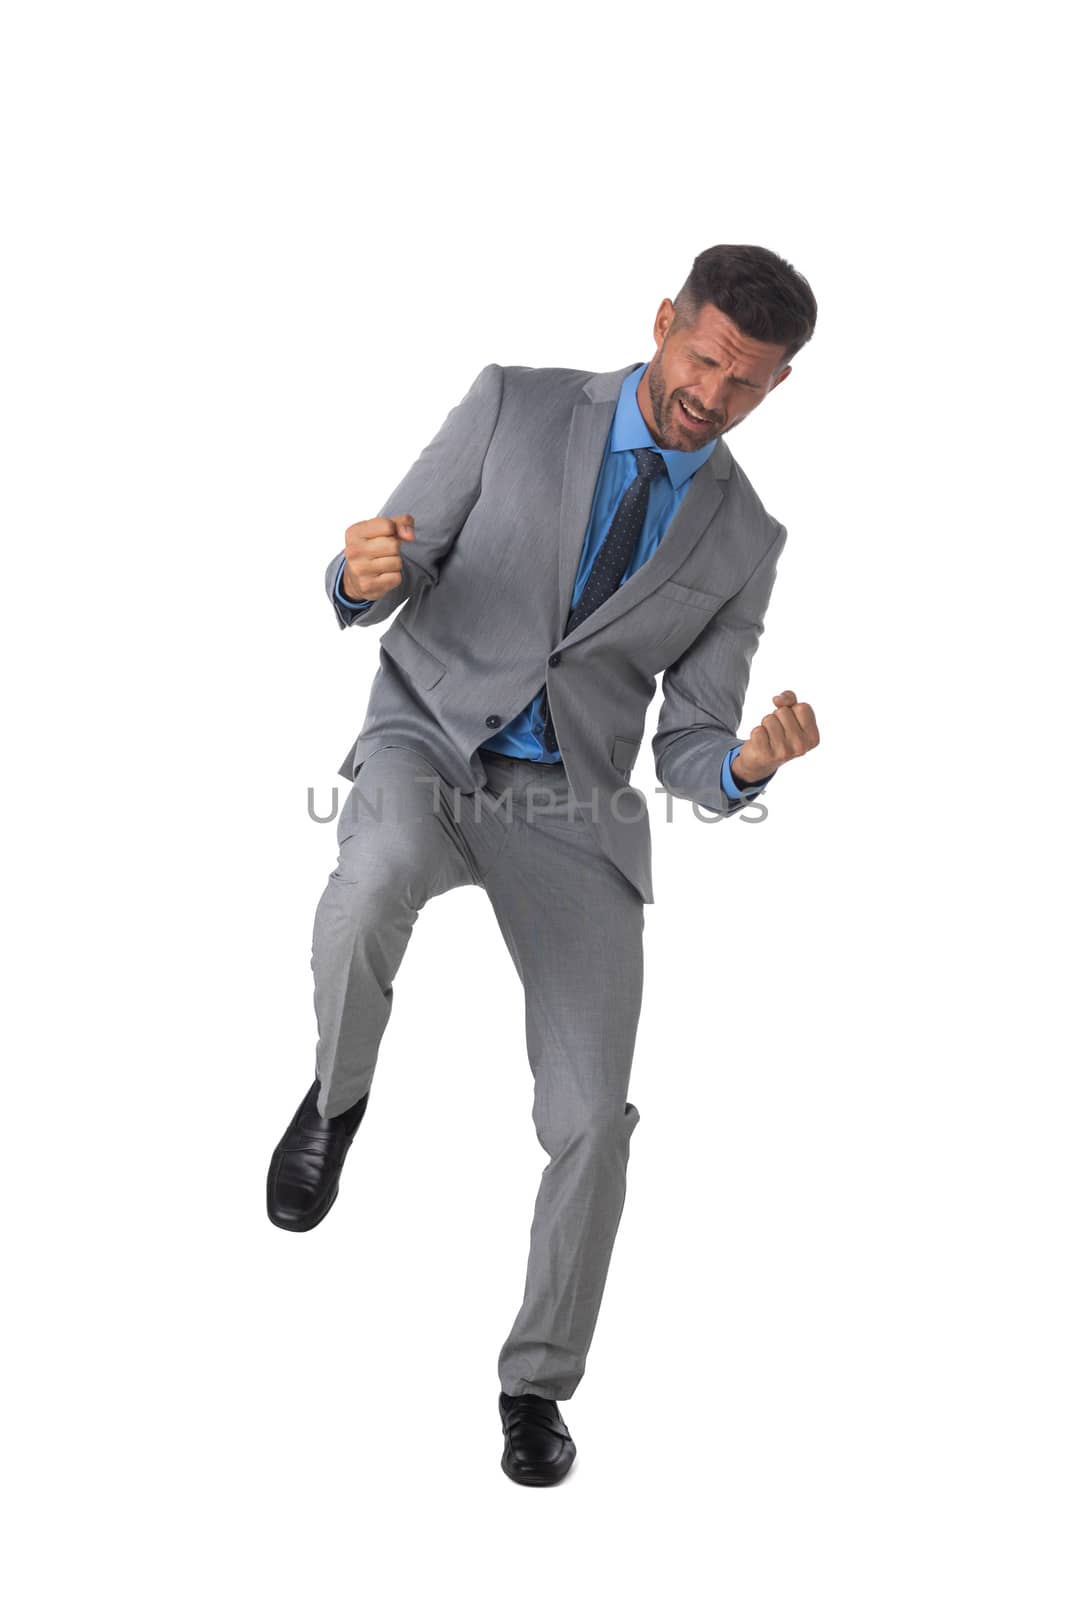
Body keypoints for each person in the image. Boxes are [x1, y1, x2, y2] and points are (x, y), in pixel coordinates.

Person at [266, 243, 821, 1486]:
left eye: (748, 383)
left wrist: (738, 769)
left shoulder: (746, 536)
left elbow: (684, 740)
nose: (711, 396)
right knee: (367, 882)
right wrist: (355, 578)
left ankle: (534, 1385)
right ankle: (335, 1099)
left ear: (775, 391)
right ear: (666, 320)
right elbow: (389, 554)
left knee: (592, 1119)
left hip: (572, 802)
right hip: (428, 727)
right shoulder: (514, 402)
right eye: (704, 359)